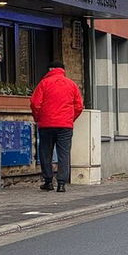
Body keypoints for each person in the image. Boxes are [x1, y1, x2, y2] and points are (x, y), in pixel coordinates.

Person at [30, 61, 84, 193]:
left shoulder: (44, 83)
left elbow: (35, 103)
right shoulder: (71, 85)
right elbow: (79, 106)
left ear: (51, 69)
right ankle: (61, 184)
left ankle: (48, 181)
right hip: (65, 126)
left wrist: (38, 118)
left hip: (46, 124)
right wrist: (70, 119)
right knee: (64, 154)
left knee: (45, 153)